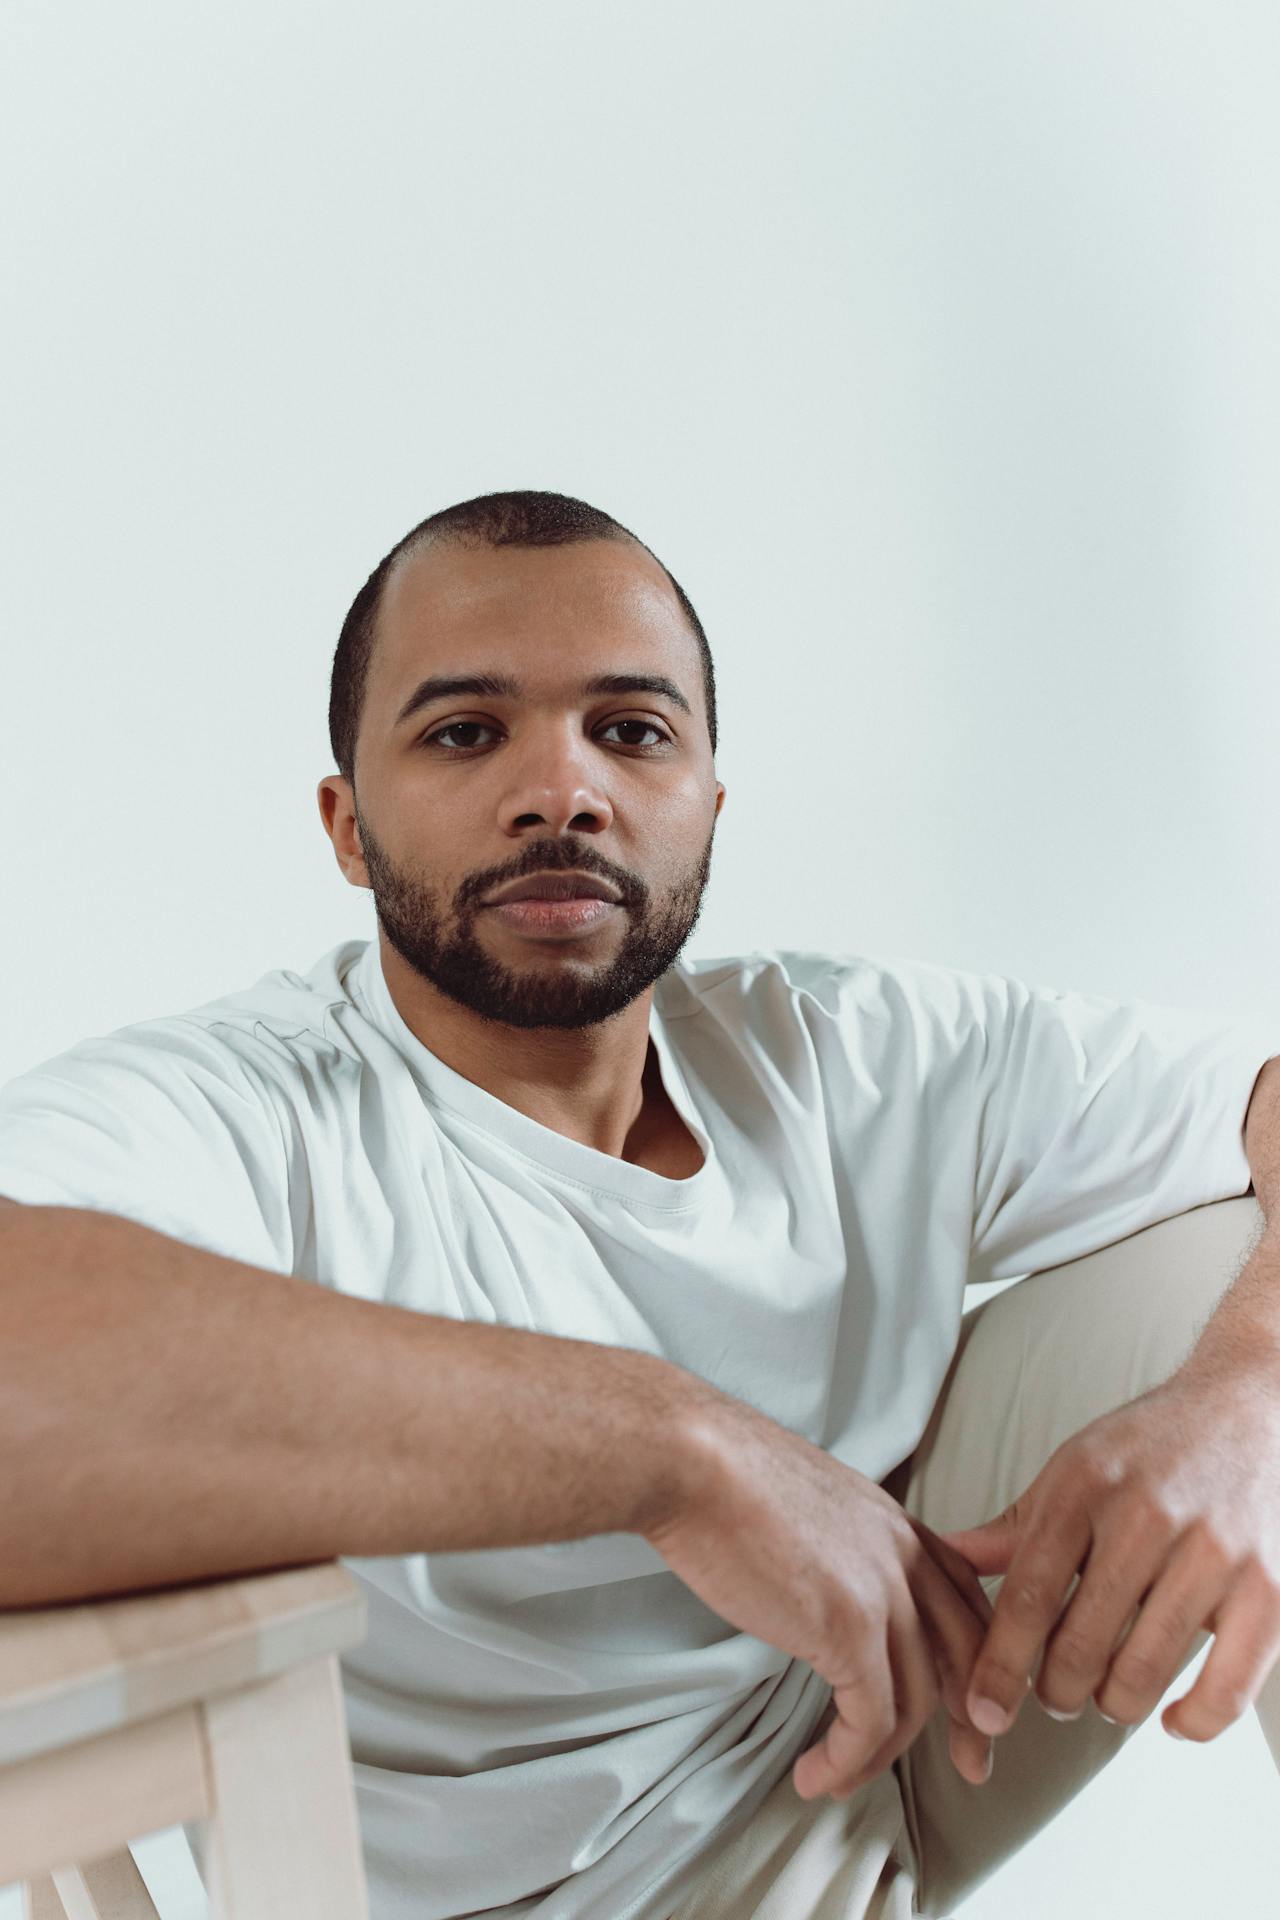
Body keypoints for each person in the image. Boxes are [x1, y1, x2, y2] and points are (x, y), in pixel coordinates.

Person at [2, 488, 1278, 1920]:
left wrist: (1245, 1404)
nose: (564, 792)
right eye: (466, 732)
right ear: (346, 826)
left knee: (1234, 1274)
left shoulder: (850, 1049)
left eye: (631, 730)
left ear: (710, 805)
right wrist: (677, 1450)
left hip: (886, 1761)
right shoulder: (241, 1109)